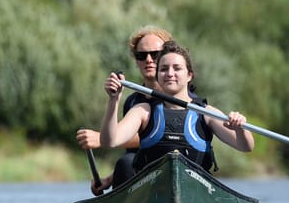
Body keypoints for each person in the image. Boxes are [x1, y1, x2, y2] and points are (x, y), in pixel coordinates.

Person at [99, 41, 254, 174]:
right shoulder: (143, 111)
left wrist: (241, 128)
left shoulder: (206, 113)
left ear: (189, 75)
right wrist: (114, 100)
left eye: (177, 68)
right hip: (152, 190)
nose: (170, 73)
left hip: (195, 191)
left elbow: (245, 146)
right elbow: (109, 141)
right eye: (164, 69)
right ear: (158, 75)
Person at [77, 25, 173, 194]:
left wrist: (101, 139)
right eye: (142, 55)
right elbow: (136, 154)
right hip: (147, 179)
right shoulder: (132, 102)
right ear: (136, 61)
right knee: (126, 163)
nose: (149, 60)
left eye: (155, 54)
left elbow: (161, 135)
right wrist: (109, 180)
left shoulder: (179, 96)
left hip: (175, 166)